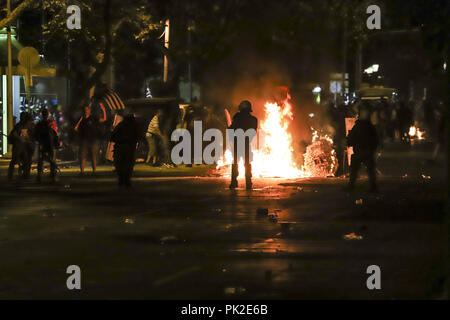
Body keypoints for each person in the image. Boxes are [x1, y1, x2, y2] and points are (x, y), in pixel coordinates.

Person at [347, 105, 379, 192]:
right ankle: (372, 186)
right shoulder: (369, 126)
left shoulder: (360, 126)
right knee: (368, 170)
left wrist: (349, 143)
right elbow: (376, 138)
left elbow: (351, 137)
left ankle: (352, 185)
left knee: (357, 169)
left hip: (362, 151)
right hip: (365, 151)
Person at [229, 100, 258, 190]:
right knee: (247, 163)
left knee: (235, 162)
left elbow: (232, 130)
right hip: (246, 144)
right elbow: (253, 132)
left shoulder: (237, 117)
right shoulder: (253, 119)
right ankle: (248, 182)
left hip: (237, 143)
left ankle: (234, 182)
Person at [110, 114, 143, 187]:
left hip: (120, 147)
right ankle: (126, 180)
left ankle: (122, 180)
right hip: (129, 147)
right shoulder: (134, 126)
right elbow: (139, 136)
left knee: (120, 164)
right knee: (128, 165)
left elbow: (112, 136)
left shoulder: (120, 125)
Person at [7, 112, 35, 180]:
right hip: (19, 147)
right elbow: (14, 134)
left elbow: (33, 135)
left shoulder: (28, 125)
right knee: (16, 160)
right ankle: (13, 175)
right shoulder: (19, 126)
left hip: (25, 147)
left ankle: (25, 174)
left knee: (26, 161)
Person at [34, 109, 59, 183]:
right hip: (49, 144)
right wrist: (57, 142)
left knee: (41, 160)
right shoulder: (51, 123)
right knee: (51, 160)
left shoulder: (39, 124)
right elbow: (55, 133)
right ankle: (52, 175)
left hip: (44, 143)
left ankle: (40, 175)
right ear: (48, 115)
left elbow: (36, 135)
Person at [74, 106, 99, 175]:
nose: (86, 111)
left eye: (87, 110)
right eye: (85, 110)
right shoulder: (81, 119)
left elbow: (101, 120)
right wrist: (77, 128)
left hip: (92, 140)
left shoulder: (93, 118)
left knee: (94, 156)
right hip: (84, 140)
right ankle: (82, 171)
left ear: (89, 111)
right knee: (82, 156)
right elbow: (77, 129)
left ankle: (94, 171)